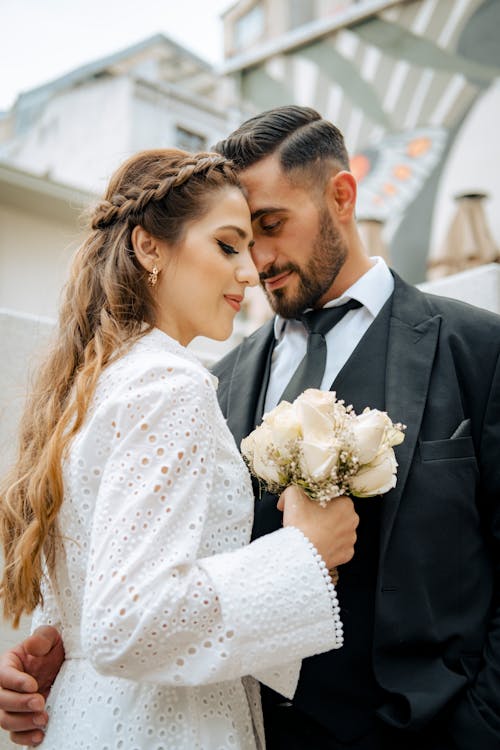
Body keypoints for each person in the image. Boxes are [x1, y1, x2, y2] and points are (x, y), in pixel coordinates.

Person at [0, 107, 499, 749]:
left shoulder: (477, 349)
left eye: (269, 226)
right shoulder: (212, 376)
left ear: (341, 196)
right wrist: (69, 644)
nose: (256, 262)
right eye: (233, 240)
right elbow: (163, 561)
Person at [0, 146, 360, 749]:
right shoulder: (171, 385)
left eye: (249, 247)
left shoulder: (100, 381)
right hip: (165, 724)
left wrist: (57, 643)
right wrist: (305, 553)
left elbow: (106, 586)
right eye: (226, 245)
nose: (249, 271)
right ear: (148, 247)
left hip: (89, 712)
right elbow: (131, 622)